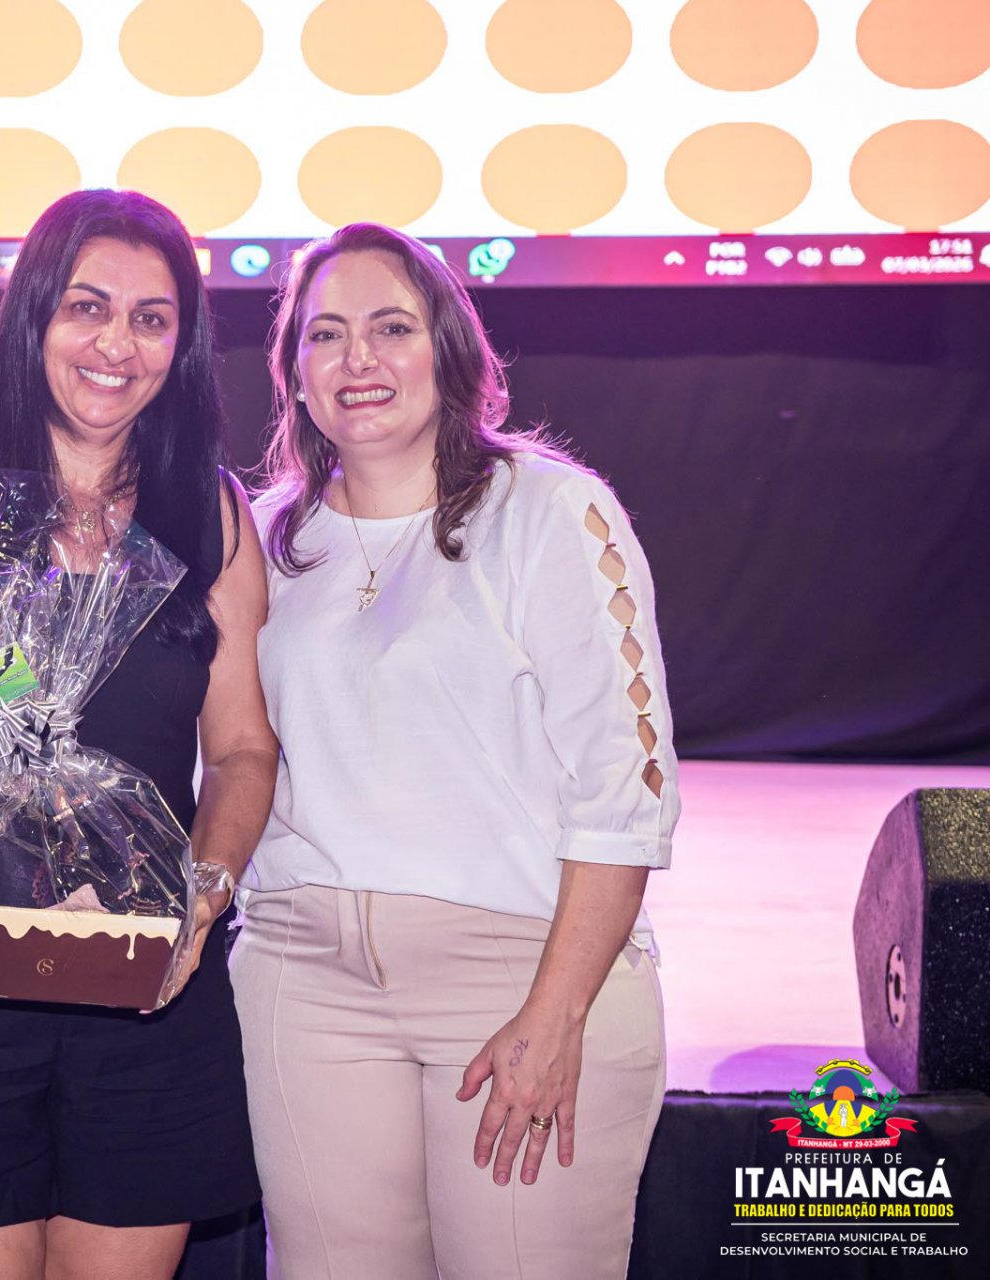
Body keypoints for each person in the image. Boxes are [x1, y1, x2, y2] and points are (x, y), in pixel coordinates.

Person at [0, 189, 277, 1280]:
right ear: (32, 316)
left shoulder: (210, 512)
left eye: (151, 318)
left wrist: (206, 892)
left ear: (183, 344)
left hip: (145, 992)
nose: (116, 344)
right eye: (87, 307)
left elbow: (245, 750)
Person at [236, 221, 678, 1278]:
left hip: (520, 975)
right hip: (305, 981)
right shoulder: (259, 538)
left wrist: (557, 1010)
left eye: (392, 327)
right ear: (293, 371)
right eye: (325, 334)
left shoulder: (550, 511)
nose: (358, 358)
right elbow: (229, 761)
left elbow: (623, 791)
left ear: (449, 347)